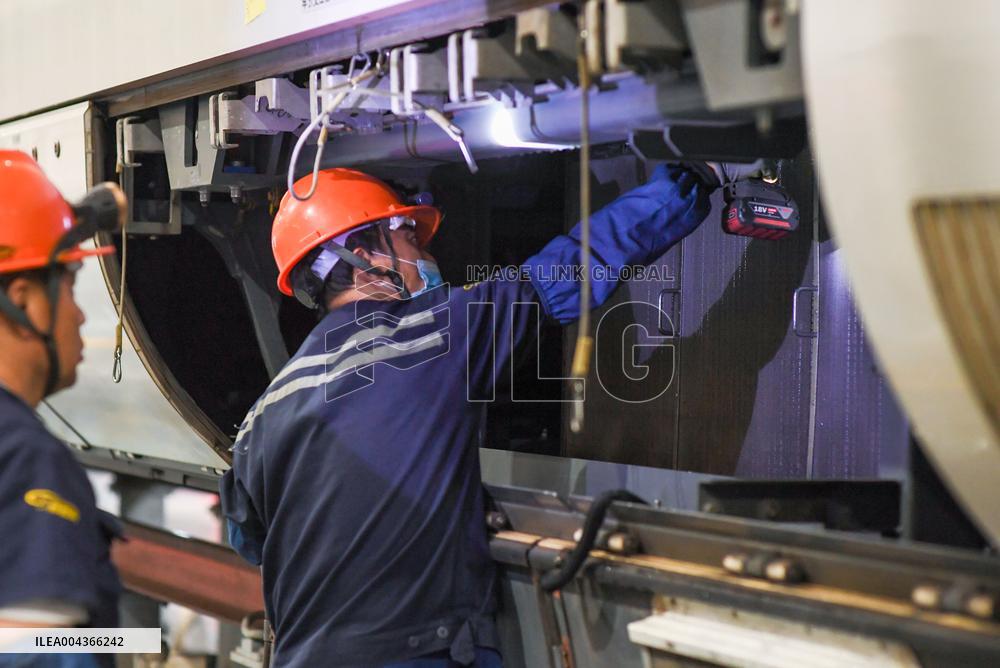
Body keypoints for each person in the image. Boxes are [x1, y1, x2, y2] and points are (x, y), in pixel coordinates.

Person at [220, 161, 758, 667]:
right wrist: (696, 179)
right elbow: (571, 267)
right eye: (409, 235)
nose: (426, 255)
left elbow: (250, 542)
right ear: (364, 252)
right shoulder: (433, 336)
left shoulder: (264, 413)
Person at [0, 151, 124, 668]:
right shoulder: (24, 458)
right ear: (25, 300)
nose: (79, 313)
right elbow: (36, 654)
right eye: (70, 286)